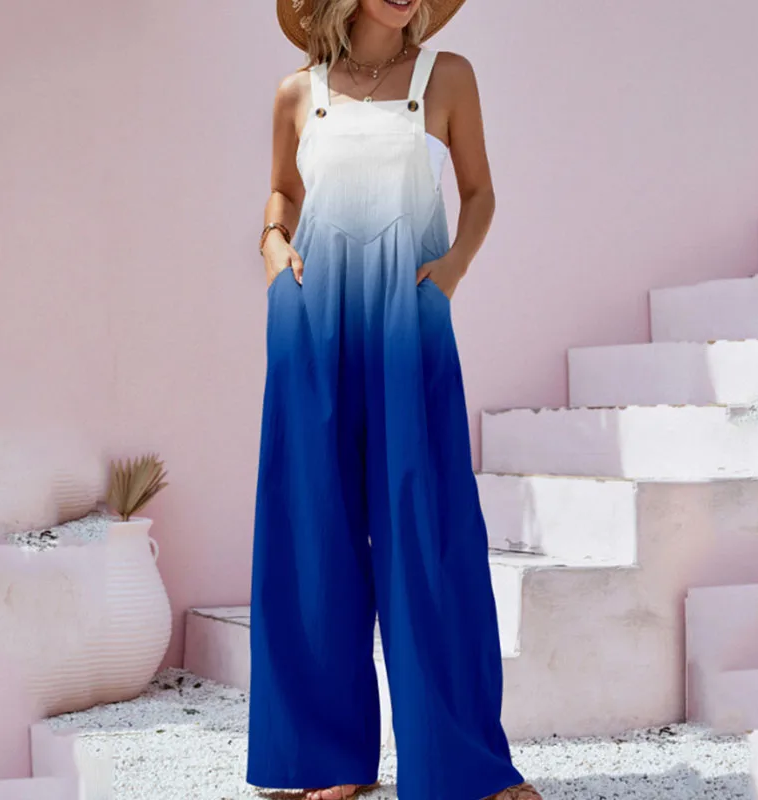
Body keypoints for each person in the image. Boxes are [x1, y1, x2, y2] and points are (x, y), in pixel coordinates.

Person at [247, 1, 543, 799]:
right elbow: (281, 193)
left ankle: (462, 765)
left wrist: (451, 271)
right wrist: (272, 246)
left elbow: (479, 193)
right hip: (312, 319)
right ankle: (323, 759)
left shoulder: (447, 79)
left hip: (409, 317)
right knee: (312, 527)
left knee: (428, 528)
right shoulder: (297, 93)